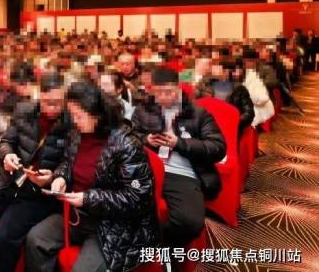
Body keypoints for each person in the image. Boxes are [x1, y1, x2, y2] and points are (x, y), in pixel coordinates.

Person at [25, 82, 157, 272]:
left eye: (79, 116)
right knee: (36, 239)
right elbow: (69, 163)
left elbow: (139, 197)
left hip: (113, 225)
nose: (74, 121)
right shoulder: (77, 134)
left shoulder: (126, 144)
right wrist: (60, 177)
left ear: (97, 114)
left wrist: (88, 198)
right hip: (78, 215)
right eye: (72, 115)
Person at [0, 72, 68, 272]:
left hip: (38, 194)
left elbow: (70, 162)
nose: (52, 108)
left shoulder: (70, 122)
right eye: (47, 102)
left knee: (3, 237)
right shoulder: (25, 110)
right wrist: (7, 155)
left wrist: (54, 177)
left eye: (58, 103)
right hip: (10, 181)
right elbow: (6, 141)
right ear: (39, 95)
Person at [132, 66, 226, 249]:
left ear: (178, 88)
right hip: (148, 168)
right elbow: (130, 137)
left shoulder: (198, 113)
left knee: (190, 223)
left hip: (180, 172)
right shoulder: (143, 109)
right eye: (158, 93)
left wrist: (179, 143)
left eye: (169, 92)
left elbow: (218, 148)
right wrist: (146, 140)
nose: (163, 97)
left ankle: (154, 244)